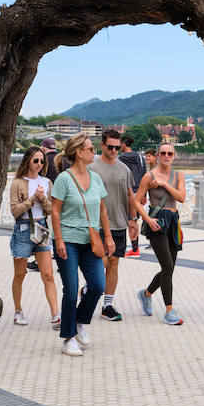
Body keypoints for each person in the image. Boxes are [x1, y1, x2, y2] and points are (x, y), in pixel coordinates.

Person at [50, 135, 114, 357]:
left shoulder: (95, 178)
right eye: (90, 148)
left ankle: (79, 321)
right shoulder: (64, 179)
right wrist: (58, 239)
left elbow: (103, 210)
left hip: (91, 241)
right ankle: (68, 338)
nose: (93, 151)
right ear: (79, 152)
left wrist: (108, 237)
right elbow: (55, 211)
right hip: (67, 241)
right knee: (70, 289)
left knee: (97, 285)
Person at [134, 142, 185, 325]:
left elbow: (181, 197)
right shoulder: (149, 176)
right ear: (157, 155)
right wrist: (147, 219)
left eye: (169, 153)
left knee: (168, 268)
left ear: (174, 156)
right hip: (157, 224)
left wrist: (164, 183)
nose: (166, 155)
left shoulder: (178, 175)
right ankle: (169, 311)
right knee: (168, 267)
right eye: (163, 152)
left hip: (173, 222)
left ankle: (146, 294)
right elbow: (136, 201)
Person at [9, 146, 59, 328]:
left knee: (48, 274)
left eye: (42, 161)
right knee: (20, 275)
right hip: (23, 229)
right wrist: (32, 199)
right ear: (27, 161)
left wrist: (43, 198)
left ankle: (56, 315)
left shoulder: (46, 182)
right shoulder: (17, 183)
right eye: (35, 160)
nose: (39, 164)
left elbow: (50, 210)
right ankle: (18, 310)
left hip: (42, 228)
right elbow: (15, 211)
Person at [90, 127, 132, 321]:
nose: (114, 150)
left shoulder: (125, 169)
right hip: (95, 224)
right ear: (102, 145)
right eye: (110, 147)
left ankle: (107, 305)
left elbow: (130, 196)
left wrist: (133, 220)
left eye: (117, 147)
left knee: (114, 263)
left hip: (119, 223)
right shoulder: (91, 167)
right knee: (101, 262)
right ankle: (89, 289)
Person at [118, 133, 145, 256]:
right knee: (133, 220)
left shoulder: (120, 159)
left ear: (123, 144)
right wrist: (145, 194)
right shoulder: (140, 157)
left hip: (127, 193)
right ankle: (135, 247)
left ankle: (134, 249)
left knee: (130, 221)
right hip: (139, 192)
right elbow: (145, 175)